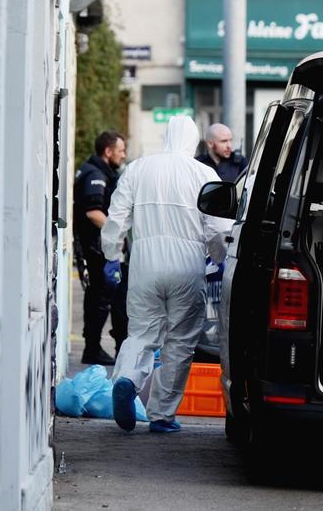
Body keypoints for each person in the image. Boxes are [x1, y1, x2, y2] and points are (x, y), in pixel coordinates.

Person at [102, 116, 231, 433]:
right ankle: (161, 415)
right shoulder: (203, 173)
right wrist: (219, 258)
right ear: (194, 141)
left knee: (142, 334)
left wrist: (111, 256)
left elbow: (117, 217)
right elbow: (218, 228)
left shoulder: (138, 168)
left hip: (145, 263)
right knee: (180, 342)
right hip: (187, 267)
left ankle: (128, 379)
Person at [74, 131, 129, 365]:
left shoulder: (96, 171)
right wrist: (116, 235)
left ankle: (103, 349)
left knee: (108, 299)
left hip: (100, 248)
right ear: (108, 151)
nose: (123, 155)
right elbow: (93, 212)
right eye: (121, 150)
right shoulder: (95, 174)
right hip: (99, 250)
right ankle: (94, 349)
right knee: (105, 300)